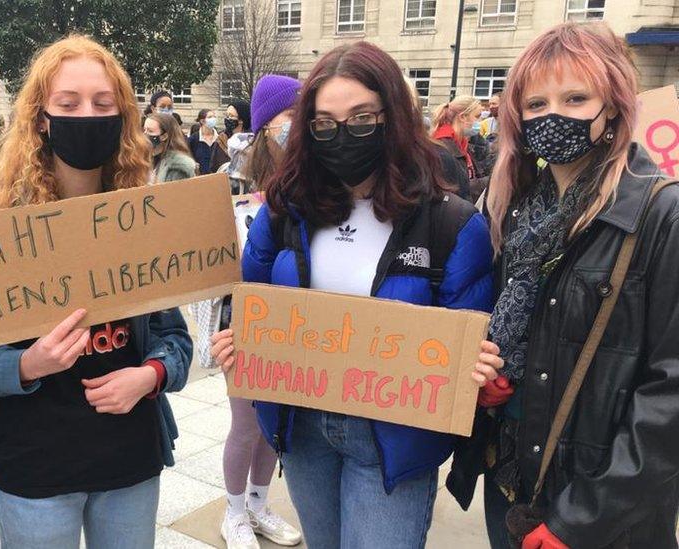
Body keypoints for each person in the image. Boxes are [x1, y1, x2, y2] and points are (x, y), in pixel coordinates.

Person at [209, 41, 500, 548]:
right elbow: (248, 299)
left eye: (362, 117)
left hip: (394, 440)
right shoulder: (284, 212)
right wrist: (236, 341)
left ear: (394, 119)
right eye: (324, 123)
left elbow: (465, 338)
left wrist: (474, 365)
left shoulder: (451, 224)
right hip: (302, 430)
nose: (342, 135)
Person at [0, 35, 192, 549]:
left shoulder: (140, 220)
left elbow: (176, 341)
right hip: (33, 469)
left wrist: (150, 374)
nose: (87, 116)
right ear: (42, 120)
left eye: (103, 104)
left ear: (123, 118)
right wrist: (27, 365)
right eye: (68, 104)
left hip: (129, 463)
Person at [446, 22, 679, 549]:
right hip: (512, 479)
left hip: (600, 507)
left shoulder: (661, 214)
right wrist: (490, 381)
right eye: (536, 104)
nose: (553, 116)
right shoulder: (515, 207)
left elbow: (669, 394)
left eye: (576, 98)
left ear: (614, 105)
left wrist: (582, 519)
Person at [195, 74, 305, 549]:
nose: (298, 128)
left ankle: (259, 504)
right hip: (238, 321)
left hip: (294, 322)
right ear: (265, 125)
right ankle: (234, 511)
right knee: (247, 421)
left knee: (274, 422)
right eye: (289, 119)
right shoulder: (228, 181)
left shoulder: (313, 180)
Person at [431, 95, 488, 201]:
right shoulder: (442, 148)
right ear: (462, 117)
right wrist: (489, 182)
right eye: (477, 116)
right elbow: (458, 189)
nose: (480, 121)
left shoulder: (461, 144)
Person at [144, 113, 195, 183]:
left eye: (150, 131)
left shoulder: (178, 166)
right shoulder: (144, 159)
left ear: (164, 136)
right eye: (144, 130)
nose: (145, 134)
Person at [222, 99, 253, 193]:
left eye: (231, 116)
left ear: (242, 119)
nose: (228, 119)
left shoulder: (252, 141)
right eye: (227, 115)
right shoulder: (221, 138)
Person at [186, 109, 224, 175]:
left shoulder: (220, 138)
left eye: (214, 116)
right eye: (210, 117)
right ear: (202, 121)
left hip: (217, 177)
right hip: (200, 179)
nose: (213, 119)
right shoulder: (193, 139)